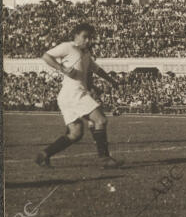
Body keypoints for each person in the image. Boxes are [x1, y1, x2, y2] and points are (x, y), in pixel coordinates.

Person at [36, 23, 124, 169]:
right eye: (85, 37)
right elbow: (46, 56)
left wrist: (112, 81)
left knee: (75, 133)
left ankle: (44, 155)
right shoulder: (68, 47)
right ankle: (105, 159)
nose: (88, 40)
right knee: (100, 120)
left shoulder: (86, 53)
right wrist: (62, 69)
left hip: (68, 96)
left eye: (90, 38)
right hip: (73, 93)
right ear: (76, 35)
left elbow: (97, 69)